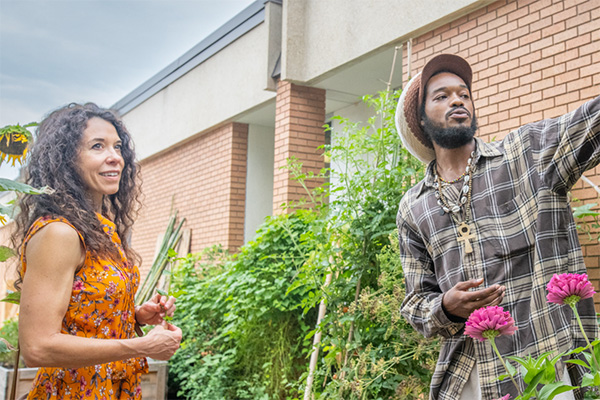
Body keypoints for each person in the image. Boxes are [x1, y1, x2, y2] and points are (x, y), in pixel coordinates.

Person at [395, 54, 600, 400]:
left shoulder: (527, 153)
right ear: (420, 119)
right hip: (470, 379)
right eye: (441, 96)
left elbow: (590, 122)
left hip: (547, 368)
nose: (457, 99)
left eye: (464, 93)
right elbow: (416, 303)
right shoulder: (414, 208)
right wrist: (445, 306)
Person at [11, 103, 182, 399]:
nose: (114, 157)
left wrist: (135, 317)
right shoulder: (59, 232)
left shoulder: (102, 229)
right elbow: (37, 347)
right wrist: (141, 346)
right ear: (66, 160)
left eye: (117, 147)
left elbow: (81, 315)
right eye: (97, 146)